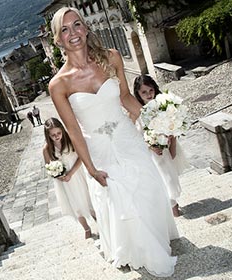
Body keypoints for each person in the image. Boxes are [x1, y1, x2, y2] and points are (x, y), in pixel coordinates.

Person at [48, 7, 179, 277]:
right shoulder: (58, 84)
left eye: (77, 25)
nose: (73, 33)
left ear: (86, 28)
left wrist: (157, 123)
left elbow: (126, 100)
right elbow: (73, 131)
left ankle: (155, 243)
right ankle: (139, 251)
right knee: (120, 199)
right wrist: (91, 169)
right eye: (65, 29)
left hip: (127, 137)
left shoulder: (112, 57)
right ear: (58, 39)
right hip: (98, 149)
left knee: (146, 190)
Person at [133, 74, 190, 217]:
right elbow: (136, 134)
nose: (148, 95)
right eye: (144, 92)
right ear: (138, 94)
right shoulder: (137, 111)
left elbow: (172, 122)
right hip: (151, 151)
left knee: (171, 175)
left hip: (167, 145)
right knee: (165, 178)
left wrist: (172, 135)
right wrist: (151, 145)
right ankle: (174, 209)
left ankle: (173, 206)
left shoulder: (163, 105)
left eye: (150, 90)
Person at [42, 117, 96, 239]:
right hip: (64, 181)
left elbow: (81, 157)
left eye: (58, 133)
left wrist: (71, 173)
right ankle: (86, 228)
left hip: (78, 173)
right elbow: (49, 167)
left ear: (62, 130)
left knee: (88, 197)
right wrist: (58, 175)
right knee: (74, 202)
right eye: (53, 135)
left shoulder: (70, 140)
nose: (56, 136)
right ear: (48, 136)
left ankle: (98, 219)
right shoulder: (47, 149)